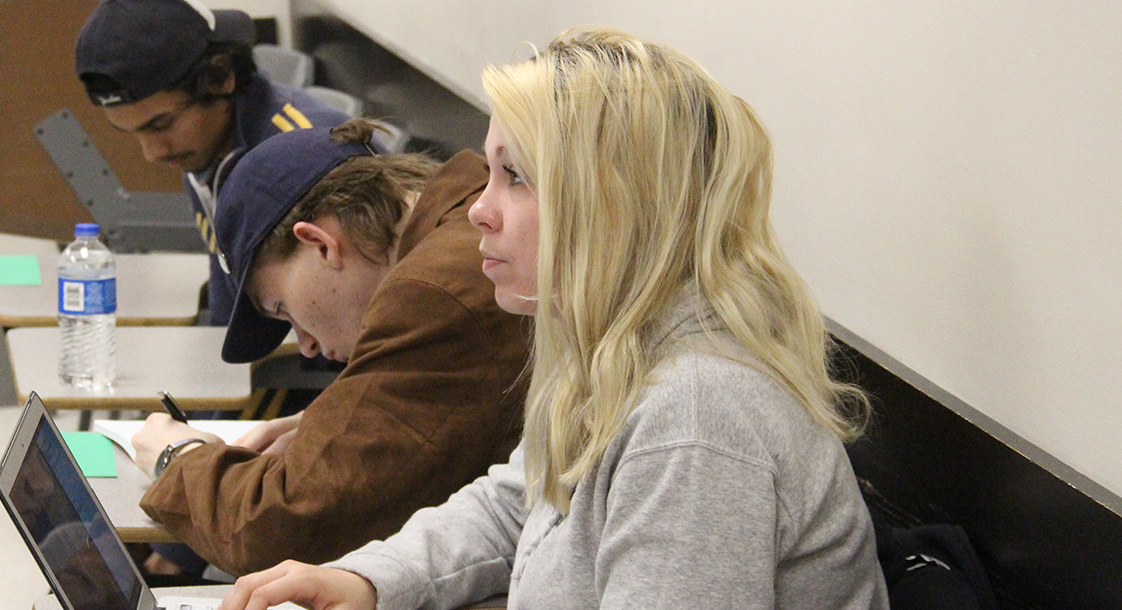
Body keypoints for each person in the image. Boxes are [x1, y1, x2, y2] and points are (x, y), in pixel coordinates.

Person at [220, 27, 890, 610]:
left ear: (611, 203)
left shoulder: (693, 416)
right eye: (488, 173)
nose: (480, 210)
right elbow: (519, 502)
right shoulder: (615, 345)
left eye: (517, 178)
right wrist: (369, 580)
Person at [127, 119, 532, 576]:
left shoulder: (432, 294)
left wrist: (178, 458)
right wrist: (333, 418)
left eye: (285, 311)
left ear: (319, 244)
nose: (308, 346)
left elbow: (275, 528)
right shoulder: (463, 213)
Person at [75, 0, 352, 325]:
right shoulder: (209, 151)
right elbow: (229, 307)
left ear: (220, 77)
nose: (153, 153)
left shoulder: (311, 160)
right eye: (131, 133)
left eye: (161, 124)